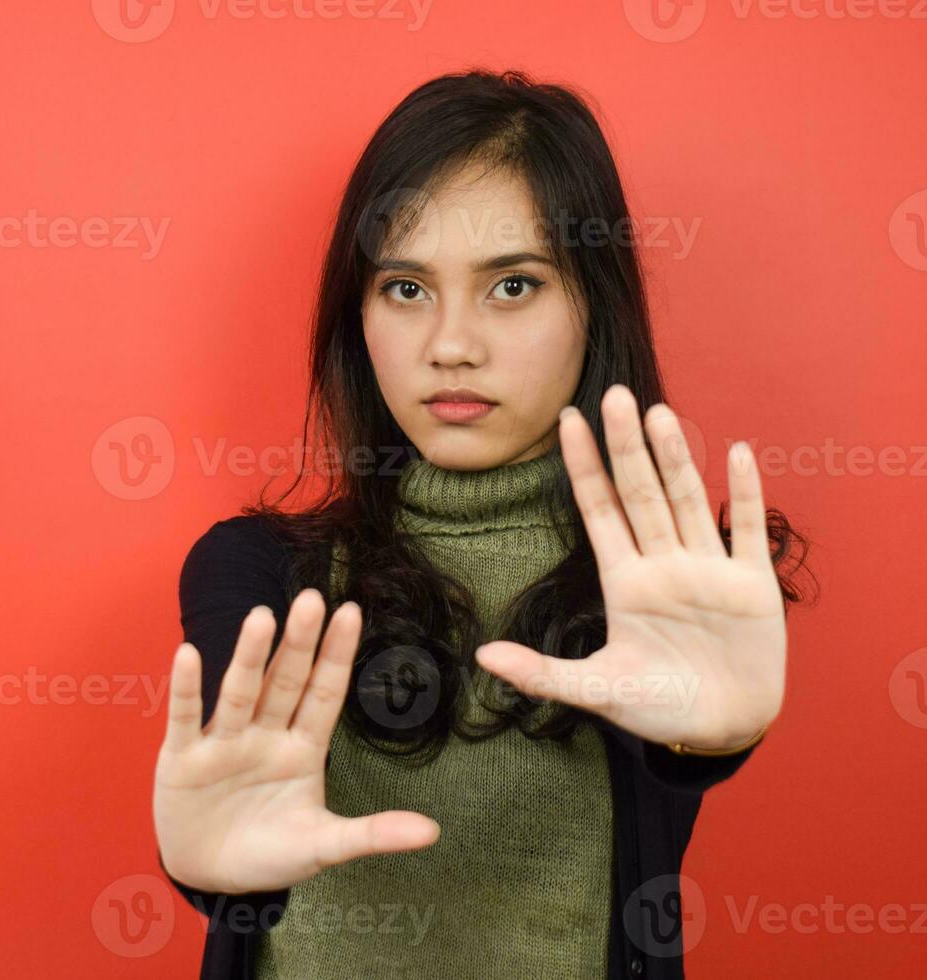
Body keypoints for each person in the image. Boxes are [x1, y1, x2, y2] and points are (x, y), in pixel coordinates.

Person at [152, 67, 813, 980]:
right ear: (359, 315)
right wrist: (215, 872)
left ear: (595, 302)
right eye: (407, 289)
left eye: (512, 285)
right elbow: (237, 810)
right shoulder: (258, 574)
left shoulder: (668, 588)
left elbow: (681, 753)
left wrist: (710, 742)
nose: (451, 343)